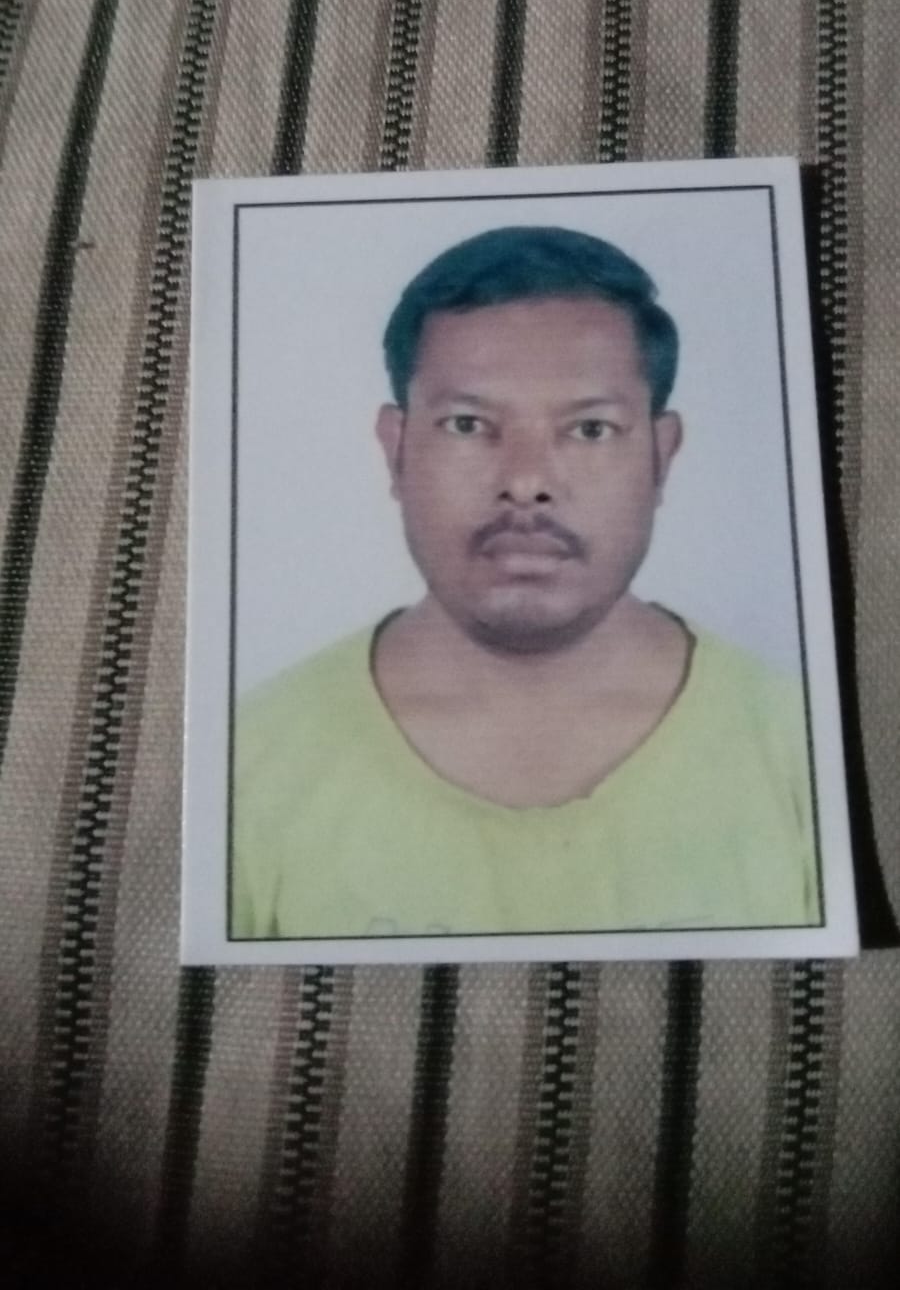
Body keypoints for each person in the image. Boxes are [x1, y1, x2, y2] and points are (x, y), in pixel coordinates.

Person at [232, 226, 821, 939]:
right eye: (468, 424)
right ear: (396, 451)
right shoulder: (246, 767)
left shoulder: (804, 752)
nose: (526, 482)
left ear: (661, 457)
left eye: (591, 429)